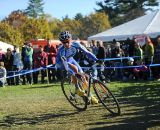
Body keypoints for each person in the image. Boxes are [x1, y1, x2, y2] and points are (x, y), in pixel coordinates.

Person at [56, 31, 99, 104]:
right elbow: (66, 65)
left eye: (67, 41)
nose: (66, 44)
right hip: (62, 63)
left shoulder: (76, 44)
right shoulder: (61, 51)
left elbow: (87, 52)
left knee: (83, 76)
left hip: (71, 60)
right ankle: (77, 88)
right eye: (64, 42)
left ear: (71, 39)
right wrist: (75, 74)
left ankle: (90, 95)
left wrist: (97, 60)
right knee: (75, 71)